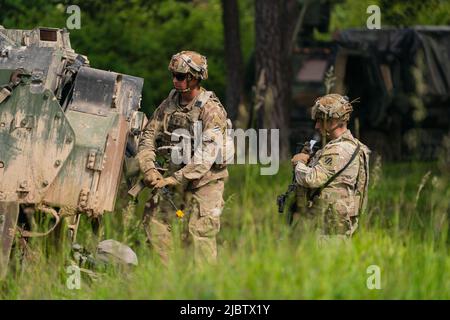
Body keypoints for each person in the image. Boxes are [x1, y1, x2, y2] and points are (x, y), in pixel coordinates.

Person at [136, 51, 232, 265]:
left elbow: (206, 156)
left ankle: (202, 288)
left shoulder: (211, 110)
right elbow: (149, 135)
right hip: (175, 178)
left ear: (194, 78)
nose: (174, 81)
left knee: (199, 235)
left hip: (205, 182)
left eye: (180, 76)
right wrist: (149, 168)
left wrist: (174, 179)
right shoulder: (170, 103)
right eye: (173, 76)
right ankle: (168, 281)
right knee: (155, 224)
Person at [291, 94, 370, 238]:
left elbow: (311, 179)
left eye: (321, 120)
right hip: (335, 223)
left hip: (329, 228)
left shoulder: (339, 149)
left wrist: (299, 163)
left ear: (334, 120)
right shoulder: (354, 146)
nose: (317, 126)